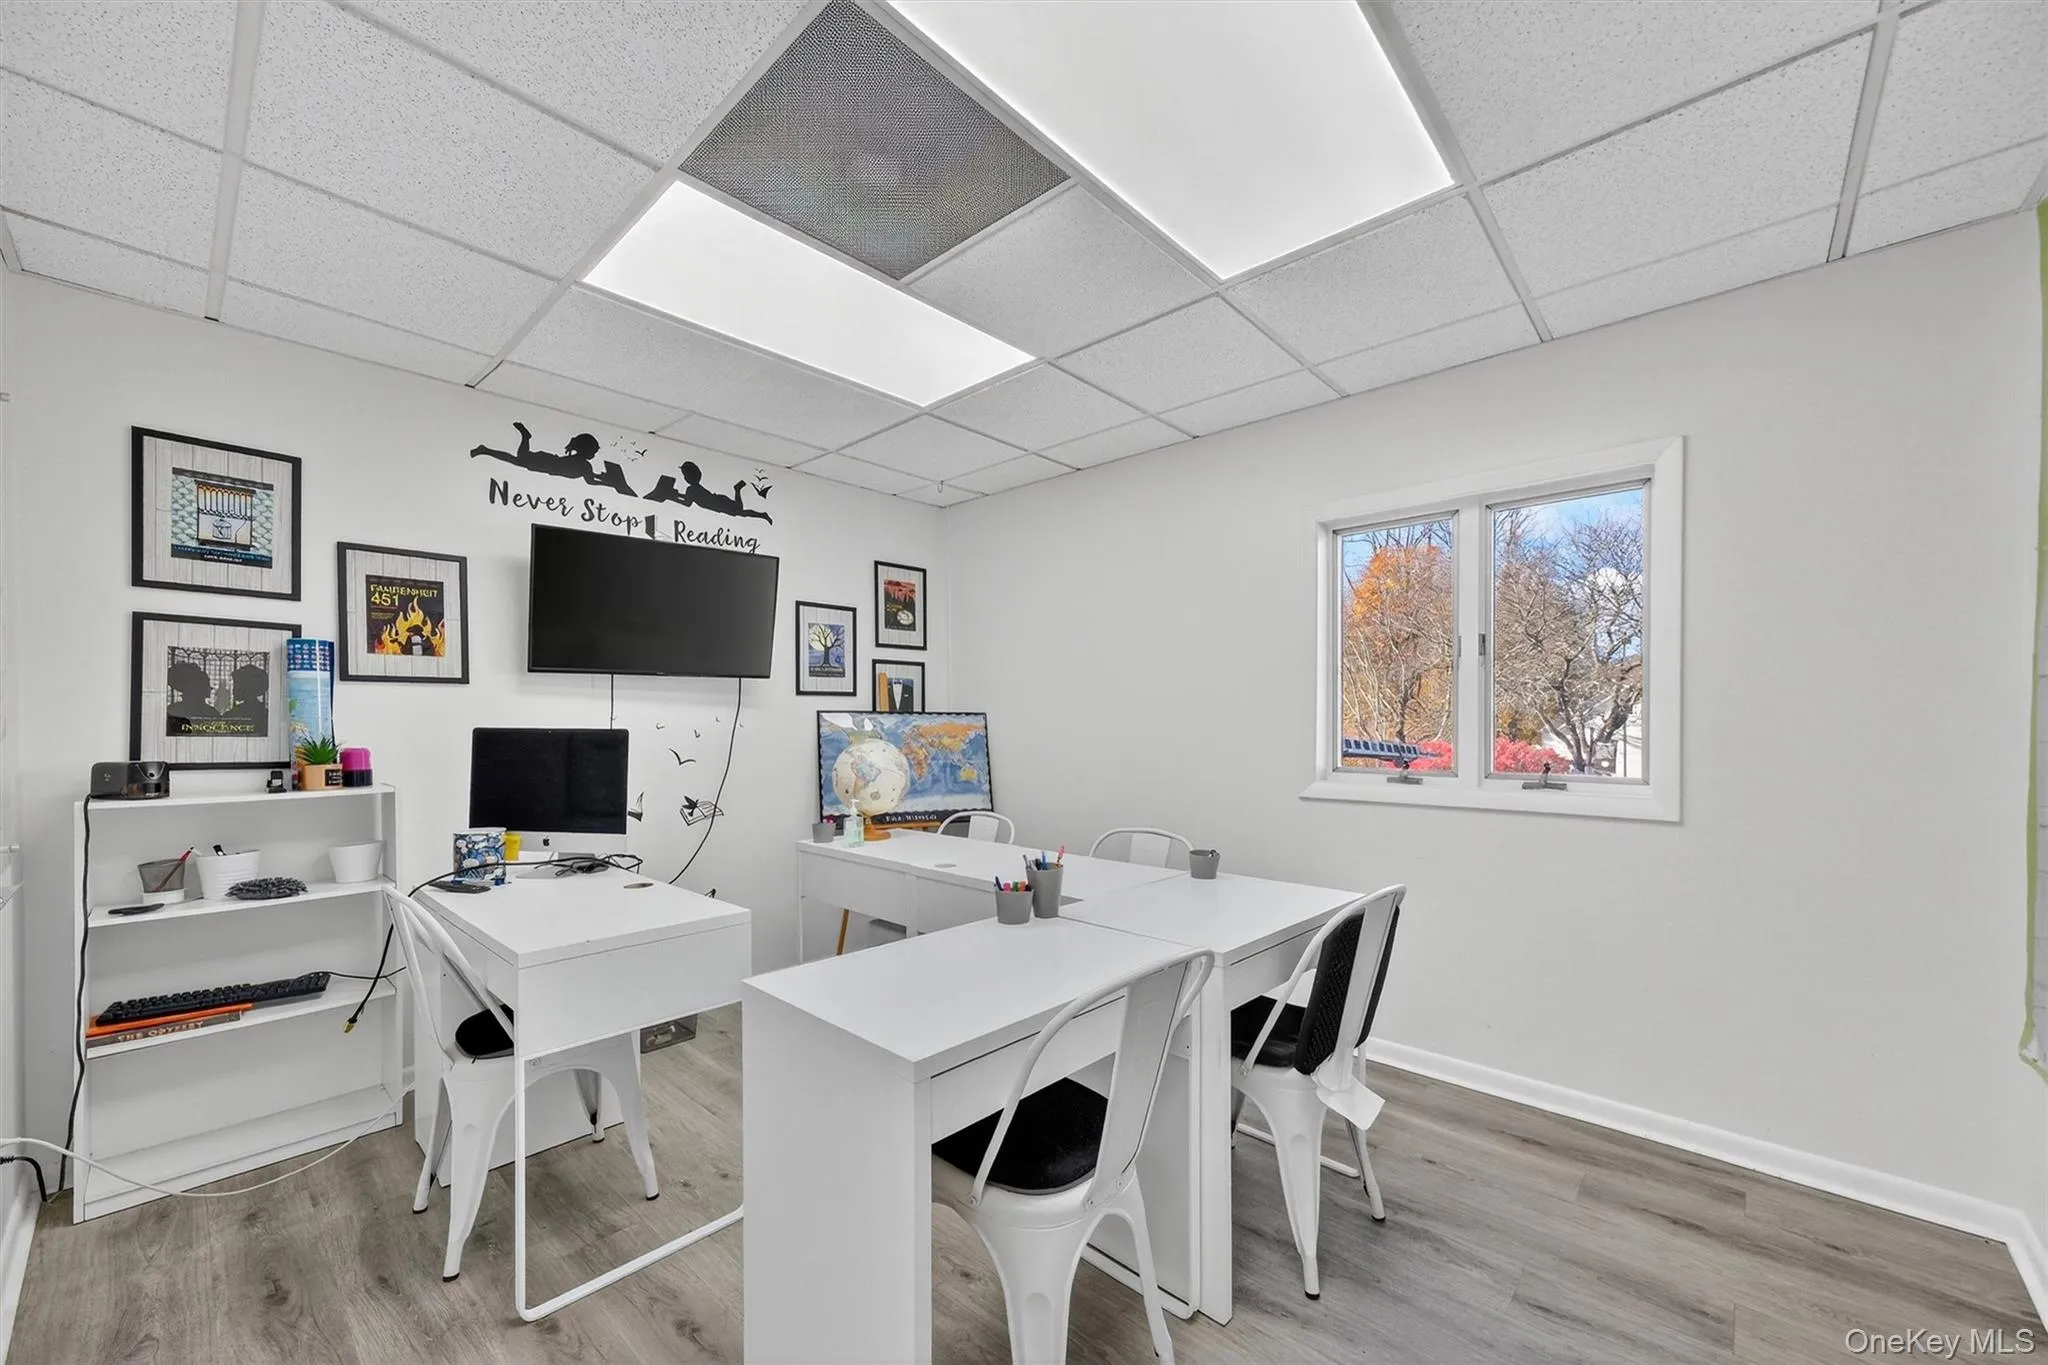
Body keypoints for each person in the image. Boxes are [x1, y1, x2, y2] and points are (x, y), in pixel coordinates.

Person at [471, 422, 636, 496]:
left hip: (548, 464)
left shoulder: (584, 464)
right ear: (587, 451)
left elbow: (591, 478)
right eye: (593, 452)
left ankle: (485, 450)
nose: (594, 455)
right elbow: (590, 481)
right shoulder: (585, 466)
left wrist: (604, 478)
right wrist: (608, 483)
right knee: (519, 459)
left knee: (517, 460)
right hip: (547, 463)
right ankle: (525, 437)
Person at [643, 460, 773, 522]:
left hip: (718, 503)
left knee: (740, 511)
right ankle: (762, 515)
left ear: (687, 477)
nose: (685, 478)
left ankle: (737, 490)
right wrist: (675, 495)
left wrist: (672, 497)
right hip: (717, 501)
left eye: (685, 475)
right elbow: (689, 500)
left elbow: (687, 503)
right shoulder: (693, 489)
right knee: (741, 512)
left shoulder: (691, 490)